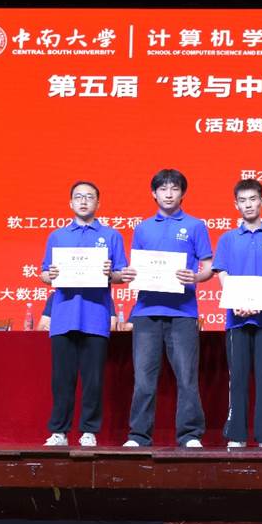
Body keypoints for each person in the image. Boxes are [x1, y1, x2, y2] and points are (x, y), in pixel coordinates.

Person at [119, 169, 213, 448]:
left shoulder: (195, 226)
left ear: (182, 193)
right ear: (154, 193)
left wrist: (195, 277)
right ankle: (138, 435)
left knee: (186, 377)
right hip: (146, 311)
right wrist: (130, 273)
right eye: (163, 189)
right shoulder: (142, 228)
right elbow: (136, 267)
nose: (169, 194)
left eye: (174, 189)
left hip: (183, 312)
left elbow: (208, 267)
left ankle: (190, 435)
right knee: (144, 379)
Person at [40, 180, 127, 447]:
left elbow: (121, 275)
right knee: (62, 379)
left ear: (98, 203)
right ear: (70, 203)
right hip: (63, 315)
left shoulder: (111, 236)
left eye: (89, 197)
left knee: (93, 379)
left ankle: (89, 431)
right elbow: (44, 274)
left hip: (95, 315)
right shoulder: (58, 236)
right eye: (78, 197)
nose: (84, 201)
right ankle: (59, 432)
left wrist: (110, 273)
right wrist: (50, 274)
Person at [212, 179, 262, 449]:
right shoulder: (227, 239)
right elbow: (222, 273)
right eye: (242, 200)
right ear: (236, 204)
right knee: (237, 377)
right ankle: (236, 434)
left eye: (253, 199)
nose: (248, 205)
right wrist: (236, 299)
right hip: (235, 319)